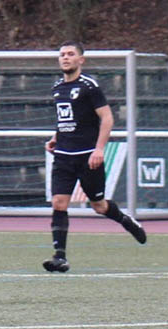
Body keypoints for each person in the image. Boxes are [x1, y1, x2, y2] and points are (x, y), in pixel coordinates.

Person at [42, 42, 146, 273]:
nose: (65, 58)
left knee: (99, 206)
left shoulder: (89, 86)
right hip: (63, 157)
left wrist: (98, 149)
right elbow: (66, 120)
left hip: (87, 157)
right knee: (59, 203)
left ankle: (127, 221)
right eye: (62, 54)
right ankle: (60, 257)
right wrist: (56, 137)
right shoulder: (57, 87)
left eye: (71, 54)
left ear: (81, 60)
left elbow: (107, 118)